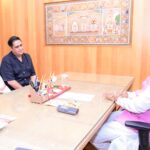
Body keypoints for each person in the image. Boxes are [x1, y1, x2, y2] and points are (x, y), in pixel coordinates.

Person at [91, 77, 150, 150]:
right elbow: (142, 94)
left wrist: (117, 99)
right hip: (139, 116)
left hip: (142, 123)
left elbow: (137, 106)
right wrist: (128, 95)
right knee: (100, 121)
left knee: (94, 136)